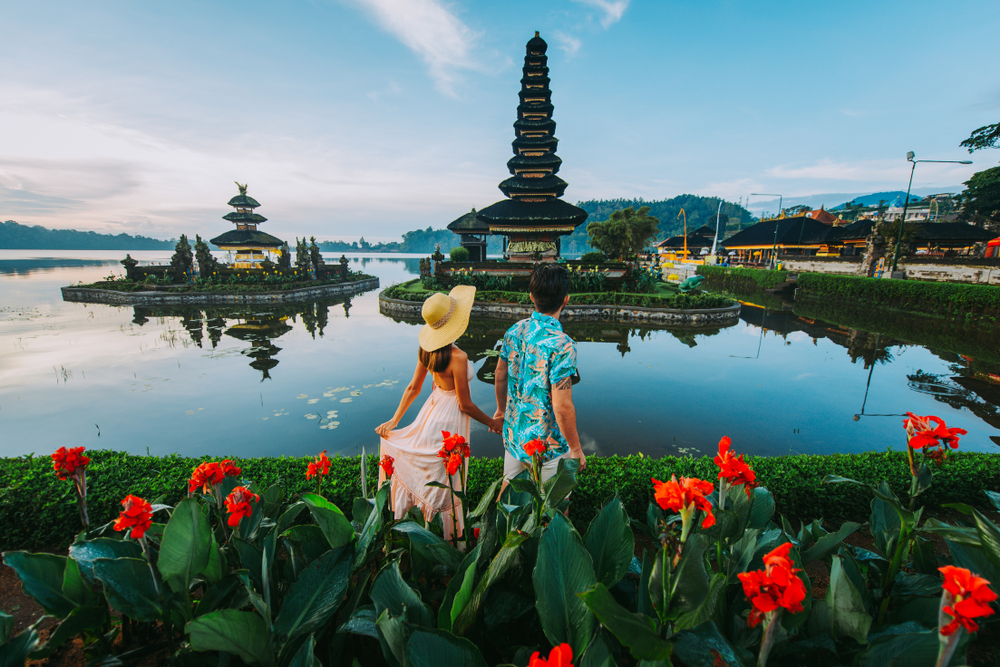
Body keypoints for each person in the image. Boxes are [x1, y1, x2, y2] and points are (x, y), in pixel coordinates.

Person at [376, 285, 501, 541]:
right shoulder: (459, 356)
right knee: (447, 475)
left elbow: (413, 388)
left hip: (431, 411)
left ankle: (422, 528)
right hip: (451, 416)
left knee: (434, 467)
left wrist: (394, 421)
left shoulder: (427, 350)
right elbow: (465, 405)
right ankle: (447, 538)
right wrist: (492, 422)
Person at [494, 264, 586, 488]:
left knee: (510, 504)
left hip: (515, 435)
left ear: (531, 296)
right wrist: (575, 448)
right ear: (566, 299)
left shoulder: (514, 331)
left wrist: (500, 410)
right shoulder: (562, 344)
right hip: (547, 445)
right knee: (550, 513)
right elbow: (562, 405)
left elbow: (499, 374)